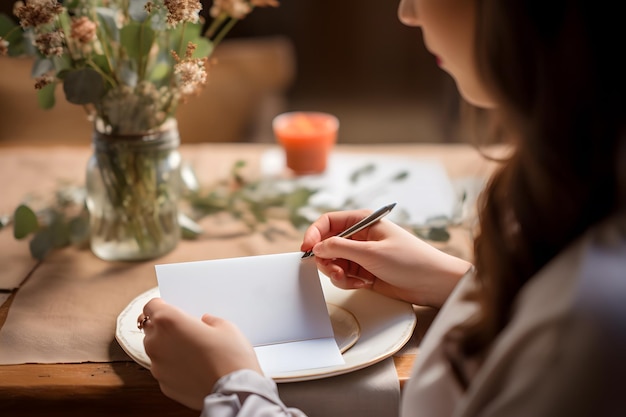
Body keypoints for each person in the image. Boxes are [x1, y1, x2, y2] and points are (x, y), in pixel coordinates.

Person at [138, 0, 626, 415]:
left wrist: (235, 390)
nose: (407, 12)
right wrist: (459, 283)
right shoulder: (585, 188)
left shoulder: (587, 320)